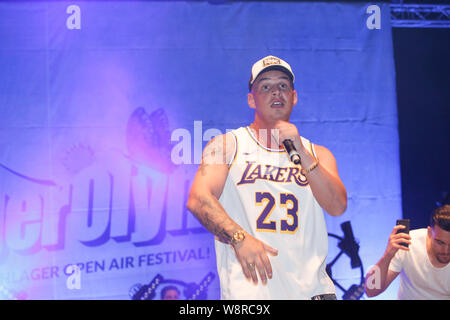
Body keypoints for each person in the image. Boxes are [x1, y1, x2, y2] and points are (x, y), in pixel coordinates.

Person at [186, 55, 347, 299]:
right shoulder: (228, 145)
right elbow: (198, 199)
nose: (276, 92)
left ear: (294, 97)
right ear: (252, 99)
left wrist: (301, 153)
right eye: (265, 86)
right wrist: (239, 237)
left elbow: (337, 206)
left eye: (283, 85)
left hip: (313, 292)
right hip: (252, 292)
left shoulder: (317, 154)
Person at [365, 204, 450, 299]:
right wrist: (387, 255)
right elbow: (370, 291)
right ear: (429, 233)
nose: (446, 251)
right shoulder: (408, 242)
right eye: (440, 242)